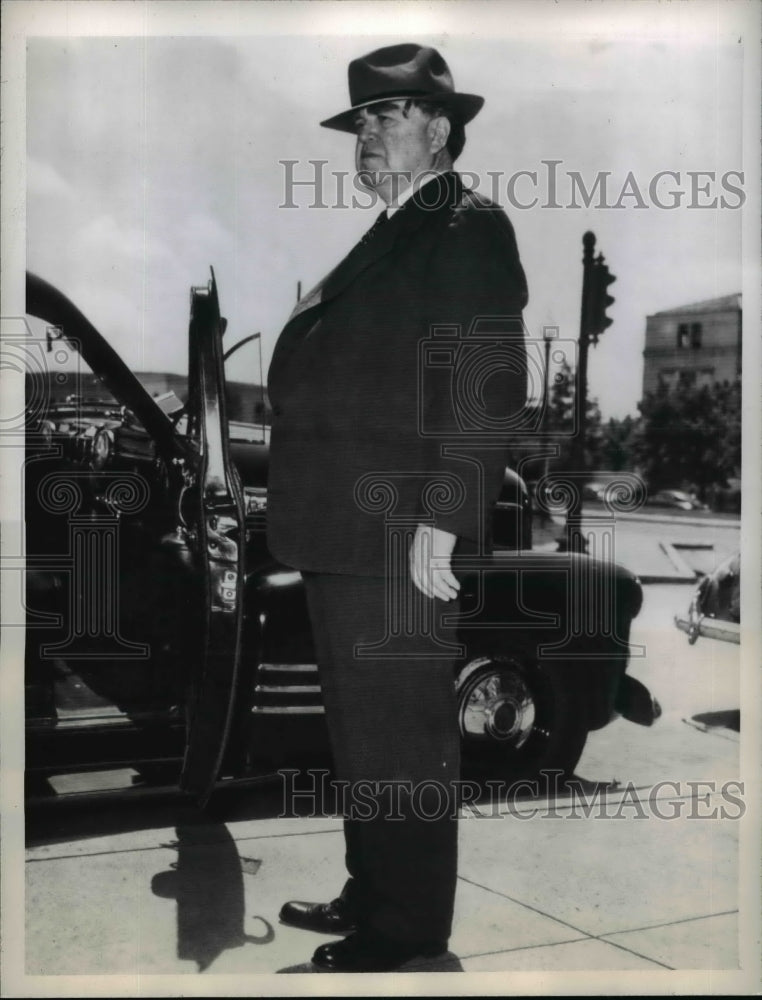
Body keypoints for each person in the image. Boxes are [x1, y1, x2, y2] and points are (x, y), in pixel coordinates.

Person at [266, 42, 528, 972]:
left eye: (385, 116)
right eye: (361, 121)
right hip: (351, 532)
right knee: (364, 732)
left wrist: (445, 518)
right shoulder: (398, 230)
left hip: (401, 533)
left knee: (403, 738)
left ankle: (406, 929)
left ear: (440, 128)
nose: (366, 135)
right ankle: (373, 890)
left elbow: (486, 386)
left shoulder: (465, 227)